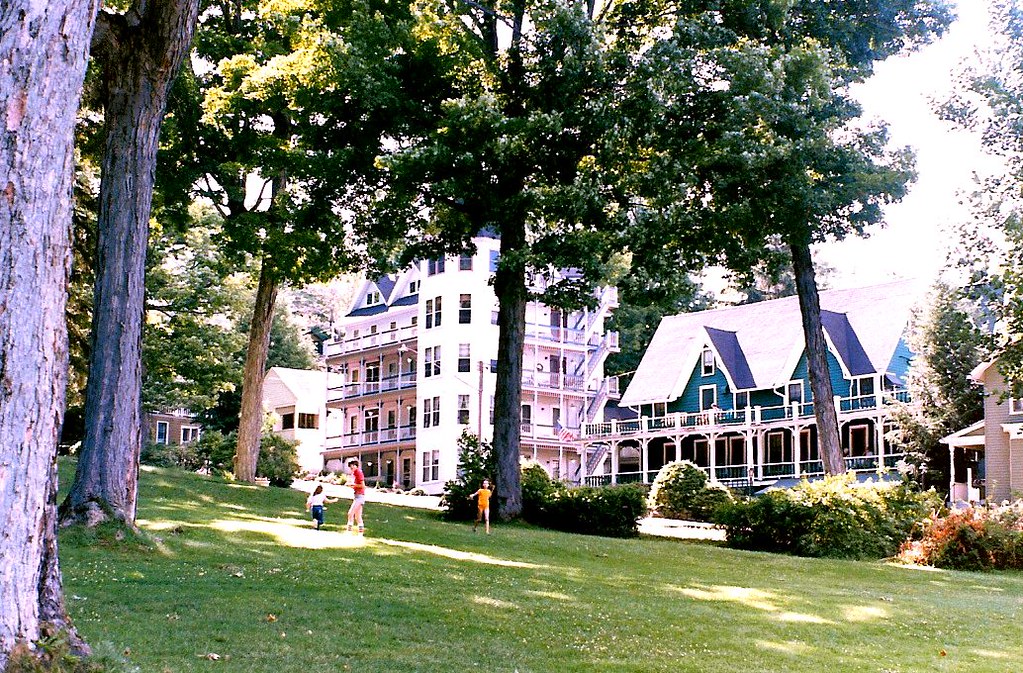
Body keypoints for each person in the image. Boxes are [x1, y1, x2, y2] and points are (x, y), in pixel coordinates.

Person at [346, 458, 366, 534]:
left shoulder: (358, 472)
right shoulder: (354, 473)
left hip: (360, 496)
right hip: (357, 495)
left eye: (352, 467)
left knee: (350, 513)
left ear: (355, 466)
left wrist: (353, 485)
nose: (351, 469)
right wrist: (352, 486)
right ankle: (360, 533)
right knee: (358, 516)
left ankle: (349, 531)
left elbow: (362, 485)